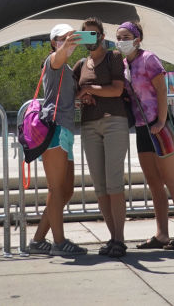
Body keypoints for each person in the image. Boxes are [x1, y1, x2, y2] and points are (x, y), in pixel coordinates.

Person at [118, 21, 174, 251]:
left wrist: (161, 120)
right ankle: (162, 233)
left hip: (160, 125)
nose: (121, 41)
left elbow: (162, 89)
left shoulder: (149, 58)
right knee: (153, 181)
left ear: (137, 39)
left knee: (171, 178)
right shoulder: (124, 65)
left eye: (125, 37)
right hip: (142, 128)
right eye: (118, 37)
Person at [27, 23, 88, 257]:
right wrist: (67, 45)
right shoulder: (53, 60)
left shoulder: (66, 66)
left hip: (66, 131)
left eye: (71, 37)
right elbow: (59, 56)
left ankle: (39, 239)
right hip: (54, 130)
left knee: (67, 190)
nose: (68, 42)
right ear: (54, 42)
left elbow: (66, 96)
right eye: (62, 38)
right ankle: (59, 242)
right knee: (55, 189)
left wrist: (82, 94)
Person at [74, 17, 130, 258]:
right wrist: (82, 97)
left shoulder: (113, 57)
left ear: (102, 35)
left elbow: (117, 89)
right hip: (89, 125)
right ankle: (111, 237)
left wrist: (90, 89)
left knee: (114, 181)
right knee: (100, 186)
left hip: (114, 122)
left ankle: (120, 239)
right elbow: (75, 94)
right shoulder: (80, 64)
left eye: (94, 34)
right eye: (86, 35)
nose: (91, 39)